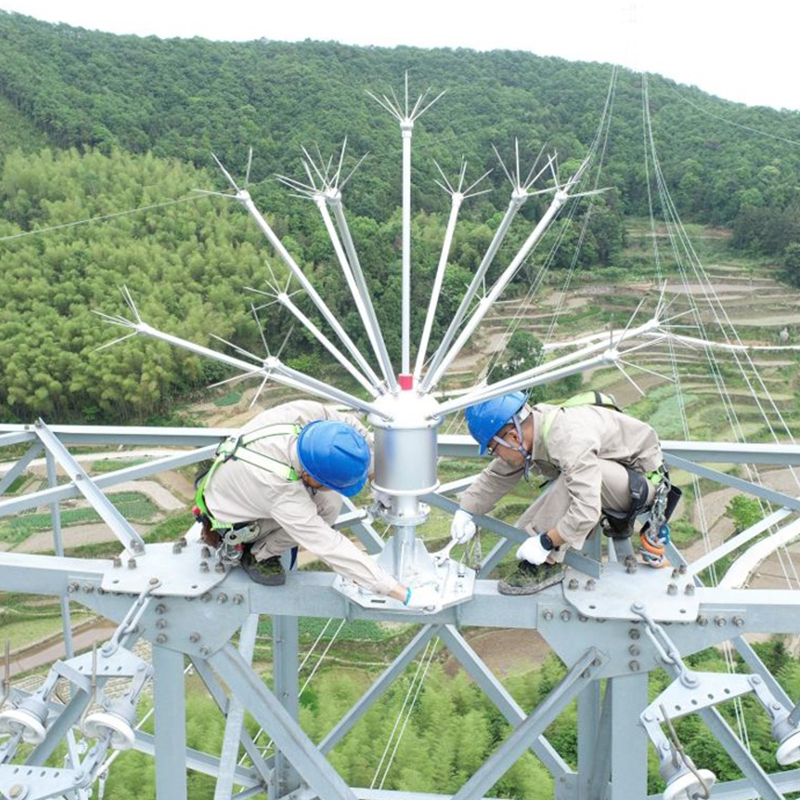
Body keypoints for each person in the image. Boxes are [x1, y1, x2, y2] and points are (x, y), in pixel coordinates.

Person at [194, 399, 436, 609]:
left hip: (239, 482)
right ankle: (257, 554)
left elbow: (350, 429)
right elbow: (327, 545)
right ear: (309, 476)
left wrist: (376, 476)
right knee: (322, 515)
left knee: (330, 502)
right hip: (233, 520)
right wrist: (400, 592)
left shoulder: (307, 415)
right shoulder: (279, 490)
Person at [451, 391, 676, 595]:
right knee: (575, 478)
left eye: (493, 449)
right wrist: (466, 510)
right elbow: (498, 474)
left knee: (571, 483)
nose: (496, 456)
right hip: (618, 472)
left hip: (643, 484)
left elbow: (587, 509)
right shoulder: (534, 426)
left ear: (513, 437)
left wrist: (546, 542)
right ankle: (545, 555)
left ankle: (545, 564)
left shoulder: (567, 439)